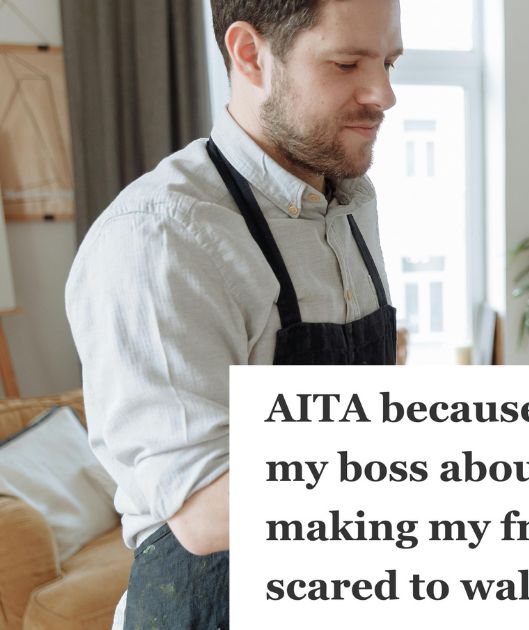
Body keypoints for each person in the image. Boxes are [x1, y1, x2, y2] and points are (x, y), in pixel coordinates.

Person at [64, 1, 403, 627]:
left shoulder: (351, 201)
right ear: (250, 54)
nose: (382, 92)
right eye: (347, 62)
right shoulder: (161, 236)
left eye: (388, 61)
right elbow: (204, 512)